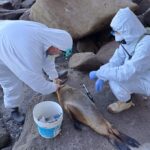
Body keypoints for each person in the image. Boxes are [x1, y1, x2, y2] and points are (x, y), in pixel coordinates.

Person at [0, 20, 73, 124]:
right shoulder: (29, 51)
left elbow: (48, 58)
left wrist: (54, 77)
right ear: (56, 47)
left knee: (42, 57)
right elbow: (35, 82)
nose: (59, 54)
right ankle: (13, 109)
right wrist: (54, 87)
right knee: (11, 82)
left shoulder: (47, 36)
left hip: (9, 34)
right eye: (61, 52)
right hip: (4, 48)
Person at [89, 7, 150, 113]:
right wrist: (102, 77)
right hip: (141, 73)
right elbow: (114, 61)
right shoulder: (130, 40)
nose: (115, 35)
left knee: (115, 79)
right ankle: (131, 89)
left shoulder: (146, 44)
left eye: (117, 32)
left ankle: (126, 102)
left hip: (146, 78)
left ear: (127, 29)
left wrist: (100, 73)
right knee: (113, 74)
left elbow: (126, 73)